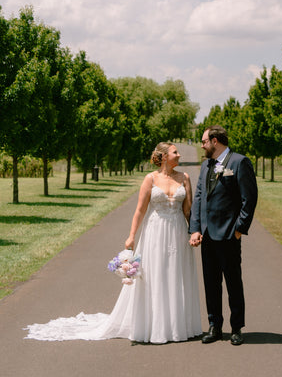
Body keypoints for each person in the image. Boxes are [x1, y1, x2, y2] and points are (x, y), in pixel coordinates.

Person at [24, 142, 202, 344]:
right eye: (175, 152)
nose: (179, 155)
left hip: (177, 232)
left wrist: (194, 231)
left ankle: (178, 326)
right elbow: (140, 211)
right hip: (155, 232)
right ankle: (155, 326)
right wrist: (131, 236)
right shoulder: (150, 179)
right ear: (162, 157)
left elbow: (188, 210)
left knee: (176, 274)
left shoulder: (184, 178)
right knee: (156, 275)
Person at [189, 126, 257, 345]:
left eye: (204, 141)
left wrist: (239, 229)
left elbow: (249, 198)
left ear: (215, 141)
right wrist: (196, 228)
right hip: (207, 235)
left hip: (229, 234)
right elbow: (199, 198)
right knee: (211, 283)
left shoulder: (239, 162)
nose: (202, 145)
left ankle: (236, 327)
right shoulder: (205, 164)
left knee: (233, 282)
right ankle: (214, 326)